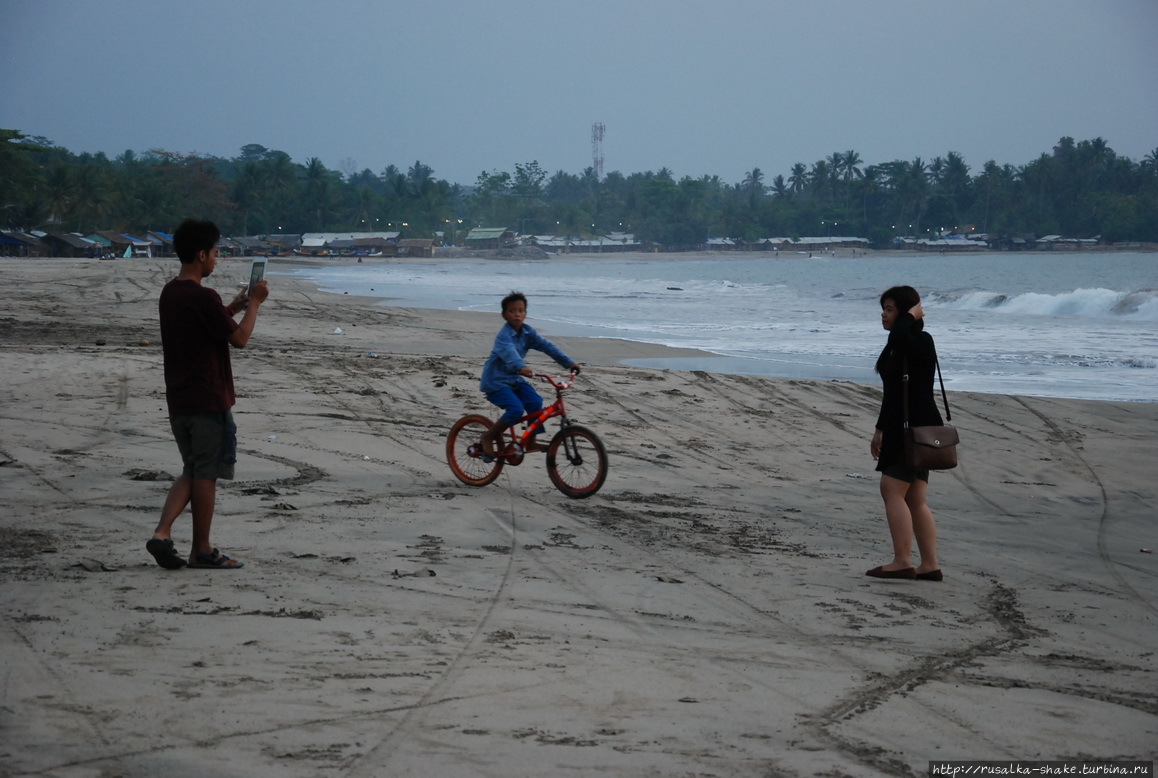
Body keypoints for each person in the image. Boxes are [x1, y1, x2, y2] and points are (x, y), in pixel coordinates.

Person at [145, 219, 269, 570]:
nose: (217, 259)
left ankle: (162, 532)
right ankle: (201, 548)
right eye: (215, 253)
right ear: (201, 254)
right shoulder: (202, 296)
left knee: (191, 467)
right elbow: (240, 340)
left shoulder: (172, 292)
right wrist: (256, 304)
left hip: (179, 399)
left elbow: (207, 327)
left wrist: (233, 307)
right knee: (206, 473)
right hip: (207, 399)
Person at [867, 285, 943, 581]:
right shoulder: (901, 344)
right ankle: (929, 565)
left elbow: (900, 335)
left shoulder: (920, 341)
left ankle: (902, 560)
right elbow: (892, 394)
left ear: (905, 312)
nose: (883, 316)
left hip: (913, 429)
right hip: (906, 426)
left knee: (891, 489)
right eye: (883, 309)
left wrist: (911, 316)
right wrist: (879, 430)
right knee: (914, 498)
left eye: (889, 309)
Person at [479, 291, 580, 456]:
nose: (517, 314)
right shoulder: (503, 337)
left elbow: (546, 346)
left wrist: (568, 363)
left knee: (535, 402)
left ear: (525, 314)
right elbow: (509, 354)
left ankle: (530, 441)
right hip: (495, 382)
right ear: (504, 315)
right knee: (516, 409)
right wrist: (521, 367)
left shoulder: (527, 332)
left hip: (514, 380)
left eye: (521, 310)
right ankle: (489, 437)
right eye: (512, 311)